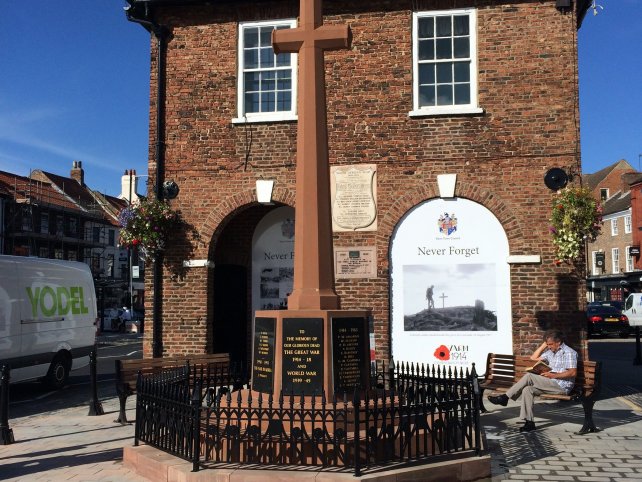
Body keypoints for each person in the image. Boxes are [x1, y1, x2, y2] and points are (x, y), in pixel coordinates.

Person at [487, 329, 577, 432]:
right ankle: (529, 423)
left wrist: (552, 375)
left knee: (529, 376)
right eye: (547, 344)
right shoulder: (550, 352)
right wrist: (544, 345)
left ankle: (505, 397)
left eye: (550, 344)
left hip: (561, 386)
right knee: (528, 389)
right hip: (550, 383)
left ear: (559, 342)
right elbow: (533, 358)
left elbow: (572, 373)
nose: (549, 346)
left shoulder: (569, 352)